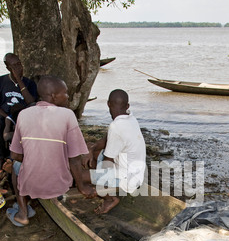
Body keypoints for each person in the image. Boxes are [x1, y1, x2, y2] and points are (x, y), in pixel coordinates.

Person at [8, 75, 96, 226]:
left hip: (31, 183)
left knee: (15, 166)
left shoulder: (23, 114)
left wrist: (34, 159)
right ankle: (47, 198)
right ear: (54, 96)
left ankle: (23, 213)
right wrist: (82, 186)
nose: (68, 96)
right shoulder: (68, 115)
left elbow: (15, 154)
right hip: (59, 186)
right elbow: (74, 158)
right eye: (66, 93)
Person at [82, 89, 146, 214]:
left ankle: (109, 199)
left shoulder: (116, 126)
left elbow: (108, 162)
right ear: (127, 106)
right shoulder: (131, 118)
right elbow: (106, 140)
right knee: (93, 149)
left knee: (80, 175)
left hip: (127, 180)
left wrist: (94, 182)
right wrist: (91, 149)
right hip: (136, 174)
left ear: (108, 104)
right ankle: (99, 185)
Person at [0, 53, 37, 168]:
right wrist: (7, 117)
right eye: (14, 66)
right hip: (4, 116)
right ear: (8, 68)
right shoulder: (1, 81)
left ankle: (14, 161)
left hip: (23, 118)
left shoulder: (30, 83)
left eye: (19, 64)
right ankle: (2, 160)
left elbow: (31, 103)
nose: (19, 67)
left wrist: (19, 81)